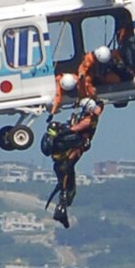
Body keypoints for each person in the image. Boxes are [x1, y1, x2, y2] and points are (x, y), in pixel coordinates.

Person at [41, 96, 101, 228]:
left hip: (73, 153)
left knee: (66, 182)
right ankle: (62, 209)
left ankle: (61, 208)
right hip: (71, 153)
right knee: (67, 182)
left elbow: (74, 129)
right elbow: (100, 106)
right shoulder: (92, 114)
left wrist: (59, 132)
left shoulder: (88, 121)